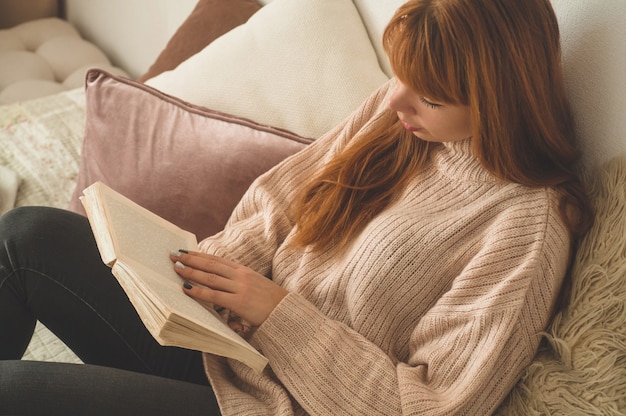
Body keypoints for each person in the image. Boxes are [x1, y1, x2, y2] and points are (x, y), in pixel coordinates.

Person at [0, 0, 593, 414]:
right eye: (398, 74)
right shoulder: (403, 120)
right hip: (229, 345)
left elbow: (429, 409)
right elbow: (281, 205)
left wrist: (276, 314)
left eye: (429, 96)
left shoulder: (524, 229)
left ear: (497, 102)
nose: (395, 100)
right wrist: (201, 275)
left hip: (283, 404)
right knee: (21, 235)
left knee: (13, 392)